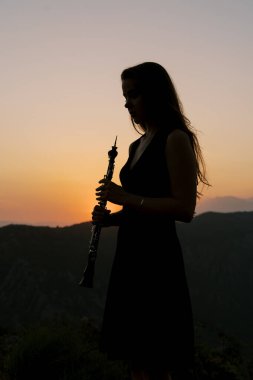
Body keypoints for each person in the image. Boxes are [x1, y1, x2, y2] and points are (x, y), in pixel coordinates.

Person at [92, 62, 210, 380]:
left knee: (157, 358)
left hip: (157, 259)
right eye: (125, 96)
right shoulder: (135, 145)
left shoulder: (175, 139)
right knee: (136, 359)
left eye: (133, 94)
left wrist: (126, 198)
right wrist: (111, 220)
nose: (127, 103)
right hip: (130, 255)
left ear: (154, 95)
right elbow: (139, 209)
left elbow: (184, 209)